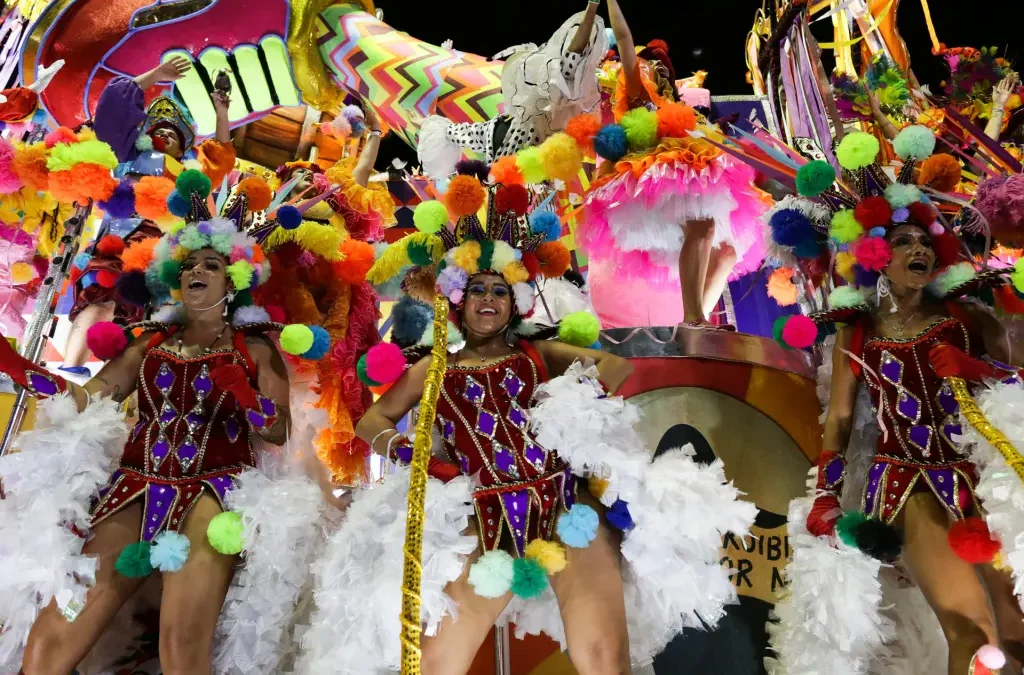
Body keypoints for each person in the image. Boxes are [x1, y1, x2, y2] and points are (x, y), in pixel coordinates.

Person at [297, 167, 758, 675]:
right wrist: (412, 452)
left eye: (499, 291)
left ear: (514, 302)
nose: (489, 300)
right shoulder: (434, 367)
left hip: (565, 506)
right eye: (477, 291)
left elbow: (617, 366)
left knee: (605, 660)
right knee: (434, 664)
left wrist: (566, 409)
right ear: (457, 301)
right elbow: (371, 421)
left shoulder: (536, 352)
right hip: (481, 512)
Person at [0, 160, 330, 674]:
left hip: (212, 491)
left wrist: (246, 394)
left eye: (212, 265)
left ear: (236, 279)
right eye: (191, 264)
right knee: (49, 643)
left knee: (182, 649)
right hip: (133, 487)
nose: (197, 271)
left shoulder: (257, 348)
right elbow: (90, 397)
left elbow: (277, 430)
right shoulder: (150, 342)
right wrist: (18, 368)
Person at [767, 128, 1024, 675]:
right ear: (875, 255)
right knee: (974, 636)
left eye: (927, 241)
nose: (921, 249)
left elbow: (1015, 381)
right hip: (907, 480)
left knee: (1019, 627)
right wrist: (827, 495)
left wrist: (979, 367)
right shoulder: (855, 334)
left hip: (983, 475)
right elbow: (838, 418)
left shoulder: (968, 315)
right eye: (905, 241)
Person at [576, 0, 768, 329]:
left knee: (726, 253)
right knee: (702, 226)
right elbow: (623, 39)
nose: (658, 69)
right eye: (652, 65)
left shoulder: (676, 109)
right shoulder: (637, 93)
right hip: (651, 178)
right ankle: (693, 318)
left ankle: (697, 318)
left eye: (664, 66)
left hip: (686, 171)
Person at [60, 56, 236, 376]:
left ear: (184, 147)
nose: (166, 134)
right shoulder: (128, 154)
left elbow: (221, 157)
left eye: (174, 133)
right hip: (121, 238)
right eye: (160, 130)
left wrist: (222, 112)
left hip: (163, 251)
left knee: (139, 320)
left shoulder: (189, 173)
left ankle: (110, 385)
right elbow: (113, 108)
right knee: (100, 298)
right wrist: (154, 75)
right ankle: (70, 369)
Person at [255, 104, 397, 484]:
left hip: (341, 309)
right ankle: (302, 483)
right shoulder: (274, 225)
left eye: (308, 181)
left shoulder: (335, 207)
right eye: (294, 183)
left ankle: (342, 487)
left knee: (341, 398)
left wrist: (375, 135)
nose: (303, 187)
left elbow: (360, 175)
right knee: (302, 406)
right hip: (294, 320)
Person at [417, 0, 606, 179]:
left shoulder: (546, 123)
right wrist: (424, 123)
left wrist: (591, 8)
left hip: (534, 204)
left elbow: (570, 63)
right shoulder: (496, 126)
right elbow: (455, 133)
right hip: (501, 203)